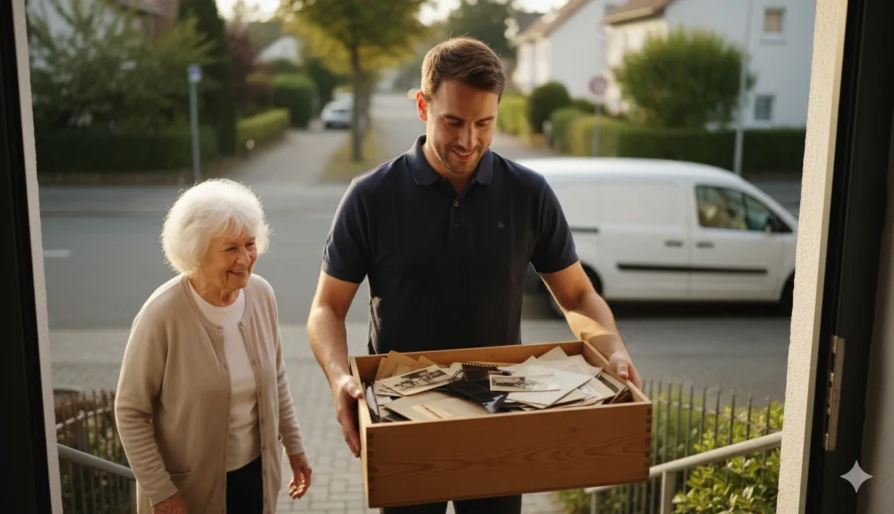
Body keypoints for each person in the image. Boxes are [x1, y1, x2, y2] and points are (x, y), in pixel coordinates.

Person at [306, 37, 642, 514]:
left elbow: (578, 296)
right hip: (404, 425)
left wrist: (613, 347)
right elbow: (326, 308)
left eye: (485, 124)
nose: (468, 141)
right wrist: (340, 378)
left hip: (501, 421)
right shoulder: (370, 197)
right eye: (453, 122)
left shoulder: (529, 193)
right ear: (423, 105)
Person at [115, 179, 312, 514]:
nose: (245, 258)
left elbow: (276, 378)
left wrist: (294, 447)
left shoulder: (261, 295)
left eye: (250, 244)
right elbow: (130, 412)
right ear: (197, 252)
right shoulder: (161, 315)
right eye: (230, 248)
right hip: (188, 492)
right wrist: (161, 492)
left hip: (256, 477)